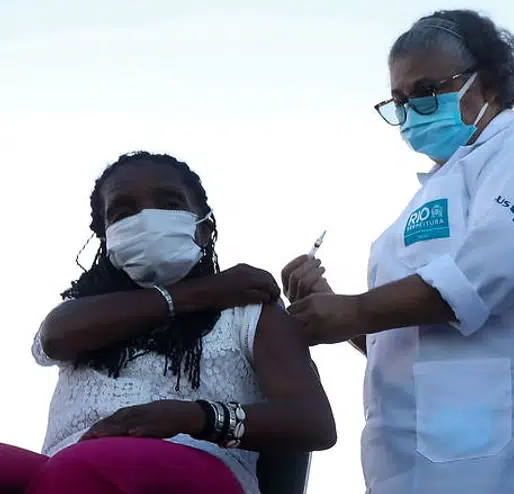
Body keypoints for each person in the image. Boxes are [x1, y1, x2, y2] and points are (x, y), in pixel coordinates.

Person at [280, 9, 514, 494]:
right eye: (399, 99)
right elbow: (405, 341)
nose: (410, 110)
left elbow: (490, 273)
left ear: (487, 86)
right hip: (409, 458)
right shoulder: (432, 191)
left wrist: (355, 309)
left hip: (495, 459)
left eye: (425, 91)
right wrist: (341, 313)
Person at [0, 151, 336, 494]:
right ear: (107, 237)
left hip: (196, 465)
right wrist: (205, 291)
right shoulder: (86, 313)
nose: (146, 218)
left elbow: (314, 422)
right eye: (123, 212)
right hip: (63, 470)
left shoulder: (248, 311)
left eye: (169, 204)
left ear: (204, 230)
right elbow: (55, 336)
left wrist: (194, 417)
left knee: (89, 466)